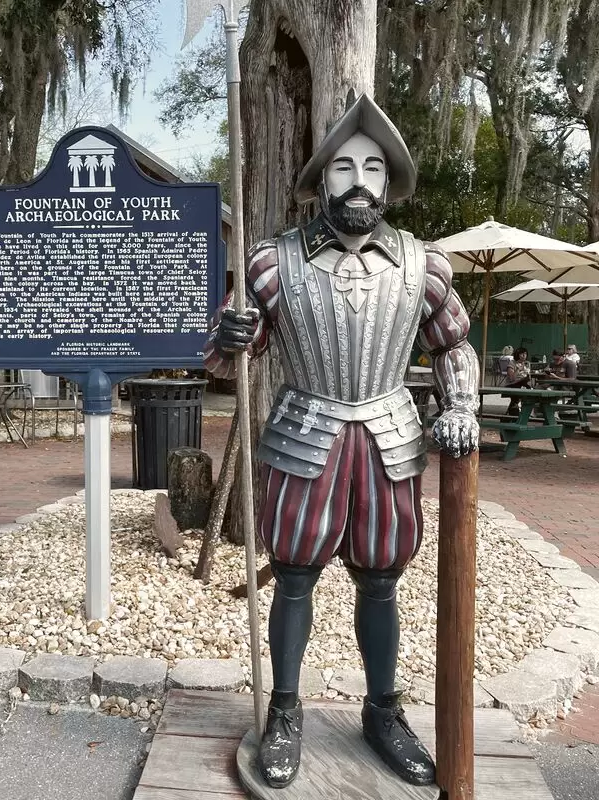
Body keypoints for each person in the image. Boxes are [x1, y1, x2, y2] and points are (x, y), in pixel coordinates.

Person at [204, 93, 479, 789]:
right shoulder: (274, 263)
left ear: (389, 183)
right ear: (321, 179)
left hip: (389, 437)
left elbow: (455, 347)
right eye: (344, 168)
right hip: (305, 435)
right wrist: (229, 334)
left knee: (382, 579)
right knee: (294, 575)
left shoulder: (424, 265)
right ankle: (286, 712)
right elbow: (228, 359)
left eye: (373, 168)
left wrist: (464, 405)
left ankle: (383, 711)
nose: (358, 181)